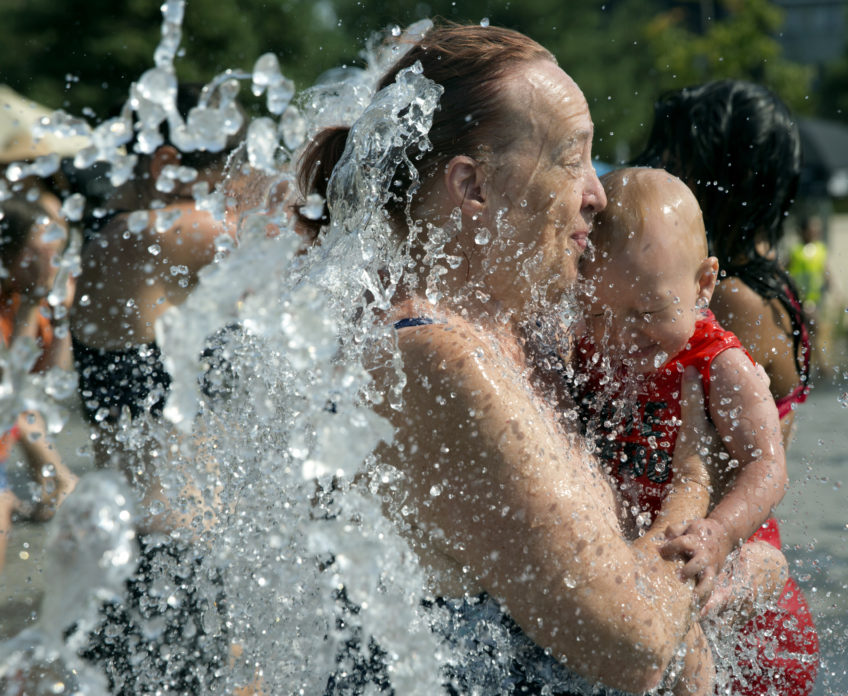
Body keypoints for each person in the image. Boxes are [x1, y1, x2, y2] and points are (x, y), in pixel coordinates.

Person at [294, 23, 787, 696]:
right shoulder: (435, 355)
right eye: (570, 159)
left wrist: (750, 553)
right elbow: (635, 646)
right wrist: (694, 475)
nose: (599, 193)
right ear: (473, 187)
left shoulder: (522, 331)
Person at [634, 80, 819, 695]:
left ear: (713, 176)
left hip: (730, 595)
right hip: (736, 578)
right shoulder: (768, 288)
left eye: (671, 159)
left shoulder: (732, 303)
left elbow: (723, 460)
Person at [70, 86, 245, 695]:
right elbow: (296, 239)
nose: (223, 195)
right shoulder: (151, 235)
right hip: (168, 562)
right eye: (219, 180)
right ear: (168, 165)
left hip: (141, 551)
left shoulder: (111, 237)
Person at [577, 168, 788, 610]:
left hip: (715, 540)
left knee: (765, 563)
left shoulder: (720, 365)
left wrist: (721, 532)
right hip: (637, 543)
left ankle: (721, 599)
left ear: (703, 285)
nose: (620, 336)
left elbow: (767, 465)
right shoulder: (585, 348)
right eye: (598, 313)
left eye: (647, 311)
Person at [0, 195, 79, 575]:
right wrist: (32, 306)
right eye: (35, 256)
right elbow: (7, 388)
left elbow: (52, 375)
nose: (50, 266)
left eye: (54, 254)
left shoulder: (26, 293)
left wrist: (63, 316)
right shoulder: (15, 300)